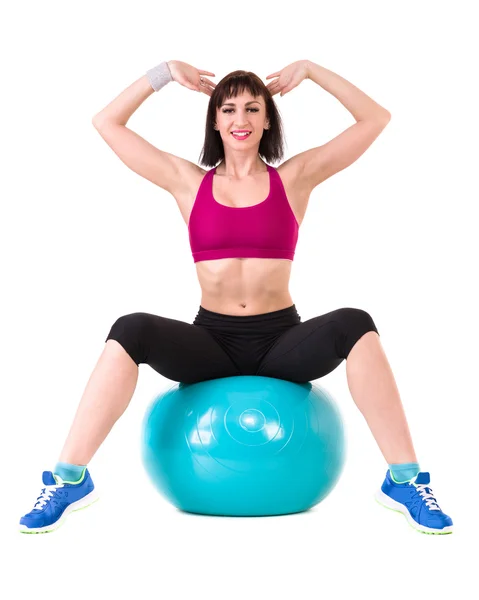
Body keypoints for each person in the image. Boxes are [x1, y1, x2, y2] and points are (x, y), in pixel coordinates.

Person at [19, 59, 453, 535]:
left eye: (252, 108)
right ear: (215, 120)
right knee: (130, 328)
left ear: (269, 118)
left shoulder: (294, 178)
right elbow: (107, 122)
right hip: (213, 342)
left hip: (280, 342)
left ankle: (405, 479)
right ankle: (68, 478)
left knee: (355, 322)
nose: (240, 119)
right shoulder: (188, 182)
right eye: (228, 109)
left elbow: (375, 119)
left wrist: (310, 71)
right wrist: (163, 74)